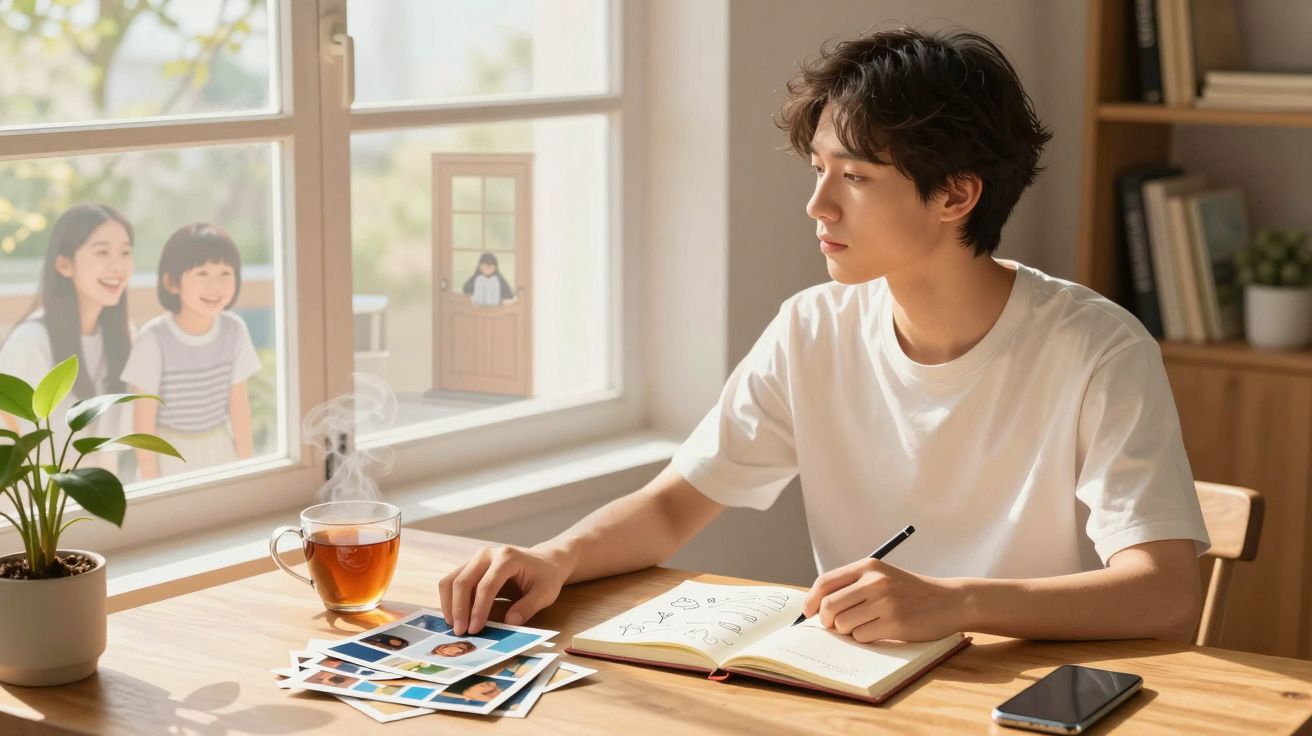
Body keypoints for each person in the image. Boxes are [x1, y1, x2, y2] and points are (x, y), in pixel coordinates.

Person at [437, 27, 1210, 646]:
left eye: (855, 177)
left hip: (1026, 693)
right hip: (858, 689)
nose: (818, 206)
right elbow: (674, 508)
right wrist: (554, 556)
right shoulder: (812, 329)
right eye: (817, 169)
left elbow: (1166, 591)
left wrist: (957, 602)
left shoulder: (1097, 349)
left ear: (956, 195)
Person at [0, 203, 134, 472]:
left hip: (105, 491)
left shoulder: (124, 335)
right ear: (64, 264)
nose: (117, 266)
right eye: (102, 252)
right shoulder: (31, 342)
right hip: (42, 496)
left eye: (125, 252)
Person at [121, 223, 260, 479]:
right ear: (172, 282)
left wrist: (247, 466)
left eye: (225, 273)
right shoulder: (153, 339)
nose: (215, 285)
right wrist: (152, 479)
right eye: (202, 273)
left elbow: (239, 407)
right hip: (168, 452)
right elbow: (143, 421)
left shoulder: (235, 330)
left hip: (219, 447)